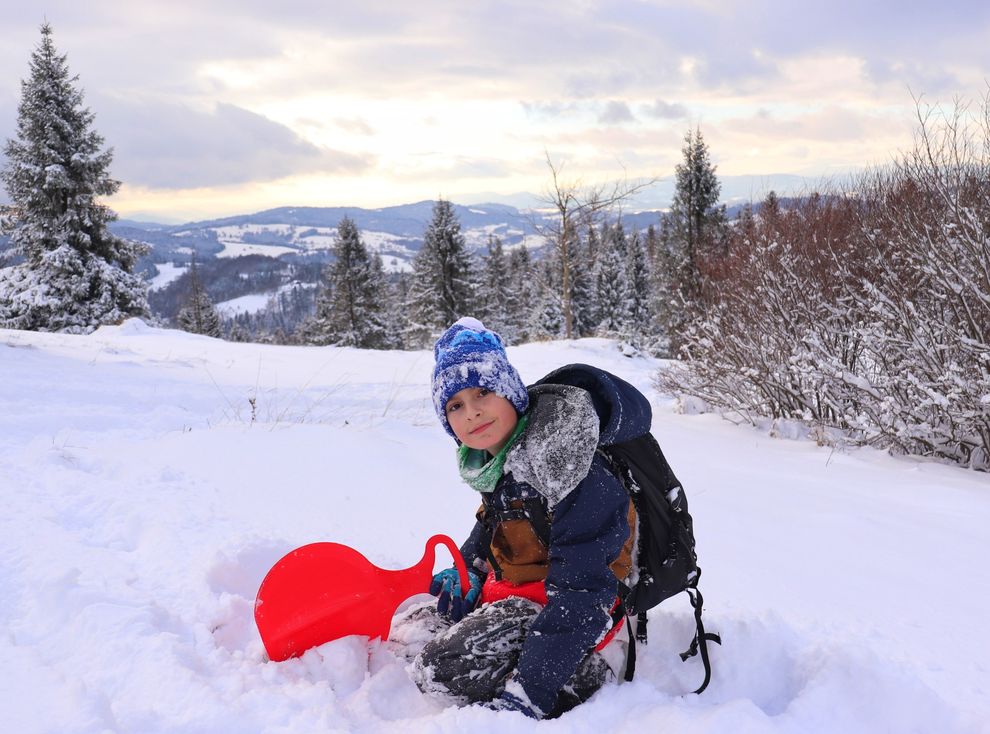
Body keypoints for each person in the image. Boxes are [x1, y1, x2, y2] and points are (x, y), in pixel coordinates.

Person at [399, 317, 653, 719]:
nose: (472, 412)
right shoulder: (499, 460)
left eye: (483, 391)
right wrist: (470, 569)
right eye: (455, 404)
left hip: (579, 606)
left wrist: (530, 689)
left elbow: (584, 591)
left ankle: (584, 675)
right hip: (522, 588)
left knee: (439, 670)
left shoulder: (563, 463)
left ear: (511, 392)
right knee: (409, 638)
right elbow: (493, 523)